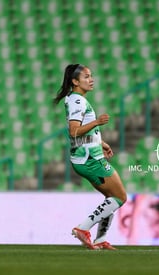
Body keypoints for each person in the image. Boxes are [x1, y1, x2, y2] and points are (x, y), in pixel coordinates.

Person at [54, 64, 127, 250]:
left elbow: (80, 131)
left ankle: (100, 238)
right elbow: (74, 131)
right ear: (75, 81)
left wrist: (100, 142)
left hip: (88, 156)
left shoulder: (74, 99)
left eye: (91, 76)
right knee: (120, 197)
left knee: (111, 197)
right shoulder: (78, 101)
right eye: (86, 77)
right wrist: (97, 122)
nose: (91, 79)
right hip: (90, 160)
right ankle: (82, 228)